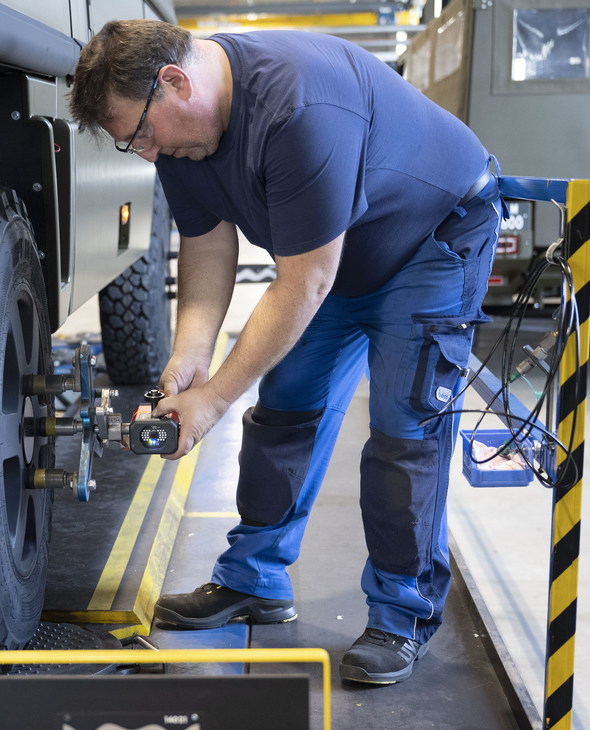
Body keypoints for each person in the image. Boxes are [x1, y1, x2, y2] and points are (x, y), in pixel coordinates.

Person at [69, 20, 503, 684]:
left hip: (428, 239)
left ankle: (400, 614)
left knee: (402, 428)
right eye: (134, 144)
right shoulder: (187, 132)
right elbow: (209, 244)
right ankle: (256, 578)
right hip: (336, 255)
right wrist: (191, 358)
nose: (147, 154)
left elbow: (305, 281)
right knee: (286, 404)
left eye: (141, 135)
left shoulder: (297, 107)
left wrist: (212, 401)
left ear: (174, 82)